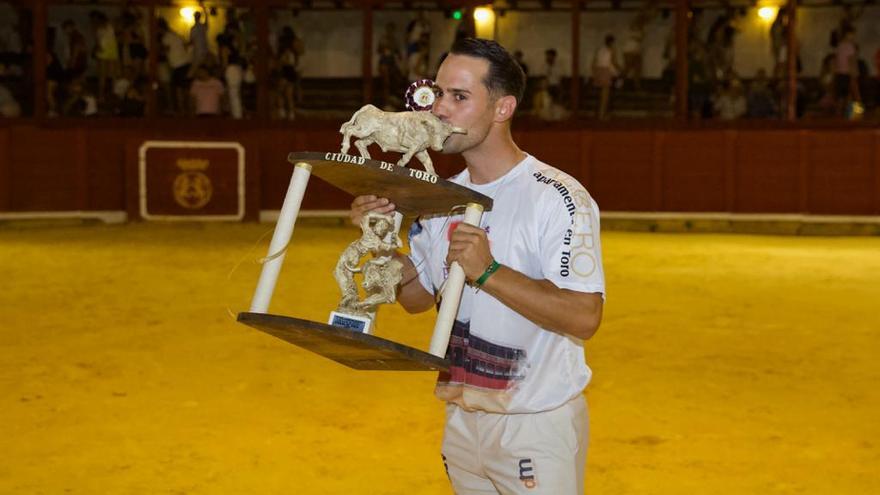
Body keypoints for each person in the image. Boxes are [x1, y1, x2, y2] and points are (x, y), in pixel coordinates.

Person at [349, 38, 605, 494]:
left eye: (460, 97)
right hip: (461, 419)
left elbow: (584, 317)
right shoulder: (439, 198)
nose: (440, 110)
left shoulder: (558, 196)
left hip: (534, 424)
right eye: (439, 93)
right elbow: (417, 300)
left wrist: (487, 271)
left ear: (503, 108)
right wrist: (382, 240)